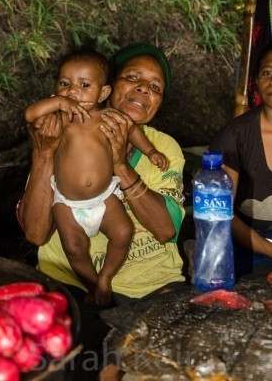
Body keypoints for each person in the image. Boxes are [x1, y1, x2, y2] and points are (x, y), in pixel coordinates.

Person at [18, 42, 186, 380]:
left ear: (100, 88)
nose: (143, 89)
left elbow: (167, 230)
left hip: (151, 286)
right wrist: (43, 156)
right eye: (133, 77)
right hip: (72, 284)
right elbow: (36, 234)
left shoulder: (164, 147)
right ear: (111, 86)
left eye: (155, 87)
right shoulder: (58, 129)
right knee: (82, 362)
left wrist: (121, 165)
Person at [24, 48, 169, 307]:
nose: (73, 91)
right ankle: (93, 285)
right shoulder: (56, 123)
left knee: (123, 232)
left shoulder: (108, 117)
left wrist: (151, 152)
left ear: (103, 92)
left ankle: (105, 278)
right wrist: (57, 107)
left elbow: (133, 131)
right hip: (67, 203)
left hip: (105, 198)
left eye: (84, 84)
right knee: (73, 246)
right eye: (65, 84)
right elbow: (30, 114)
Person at [209, 43, 272, 277]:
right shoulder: (235, 136)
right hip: (249, 243)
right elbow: (220, 212)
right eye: (267, 72)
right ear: (256, 80)